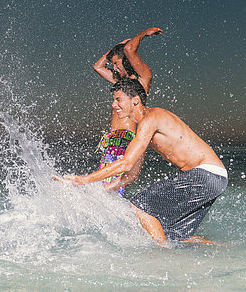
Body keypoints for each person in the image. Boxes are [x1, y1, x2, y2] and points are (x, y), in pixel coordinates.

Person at [58, 78, 228, 244]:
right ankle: (228, 251)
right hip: (216, 179)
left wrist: (83, 180)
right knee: (173, 234)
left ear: (136, 100)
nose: (113, 105)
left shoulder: (151, 118)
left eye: (118, 100)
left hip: (205, 174)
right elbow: (132, 174)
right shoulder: (145, 130)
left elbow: (126, 163)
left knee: (140, 206)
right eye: (113, 100)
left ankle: (161, 258)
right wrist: (105, 189)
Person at [91, 27, 162, 195]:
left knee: (110, 184)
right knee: (111, 184)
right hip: (114, 138)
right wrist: (117, 46)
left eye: (116, 63)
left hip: (125, 137)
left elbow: (130, 50)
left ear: (127, 61)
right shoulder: (121, 84)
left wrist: (143, 34)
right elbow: (98, 66)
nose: (114, 67)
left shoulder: (140, 80)